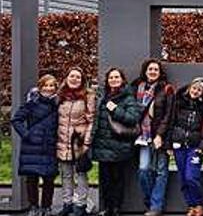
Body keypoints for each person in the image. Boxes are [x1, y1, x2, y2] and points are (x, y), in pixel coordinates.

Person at [91, 67, 143, 216]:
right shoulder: (101, 96)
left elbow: (133, 118)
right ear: (107, 80)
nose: (114, 80)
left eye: (117, 77)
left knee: (118, 179)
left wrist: (115, 110)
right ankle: (107, 207)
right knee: (105, 180)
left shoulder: (128, 97)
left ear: (122, 80)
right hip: (102, 145)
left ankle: (116, 208)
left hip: (119, 145)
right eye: (111, 78)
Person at [131, 59, 175, 216]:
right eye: (150, 69)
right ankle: (150, 202)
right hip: (142, 136)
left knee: (161, 171)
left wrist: (160, 135)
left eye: (156, 69)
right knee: (143, 170)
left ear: (160, 72)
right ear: (145, 71)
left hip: (159, 136)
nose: (153, 72)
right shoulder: (136, 87)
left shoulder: (166, 89)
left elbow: (168, 115)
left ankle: (156, 207)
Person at [12, 74, 59, 216]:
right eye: (46, 85)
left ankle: (46, 207)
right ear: (40, 87)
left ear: (55, 88)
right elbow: (16, 120)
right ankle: (33, 206)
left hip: (49, 145)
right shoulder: (31, 103)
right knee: (31, 178)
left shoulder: (58, 104)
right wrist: (26, 135)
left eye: (52, 86)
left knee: (49, 178)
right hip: (32, 146)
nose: (49, 88)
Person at [167, 77, 203, 216]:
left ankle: (198, 204)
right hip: (179, 145)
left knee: (191, 176)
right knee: (183, 178)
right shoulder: (179, 103)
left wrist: (202, 147)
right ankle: (191, 206)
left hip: (195, 146)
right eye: (194, 88)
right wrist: (169, 144)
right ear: (189, 88)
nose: (196, 91)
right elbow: (170, 122)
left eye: (199, 90)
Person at [56, 67, 95, 216]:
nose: (74, 79)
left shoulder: (88, 96)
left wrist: (86, 142)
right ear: (66, 78)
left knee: (81, 174)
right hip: (62, 140)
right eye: (72, 76)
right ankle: (67, 203)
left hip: (79, 142)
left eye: (78, 77)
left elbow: (91, 120)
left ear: (82, 80)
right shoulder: (60, 96)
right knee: (65, 174)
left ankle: (81, 204)